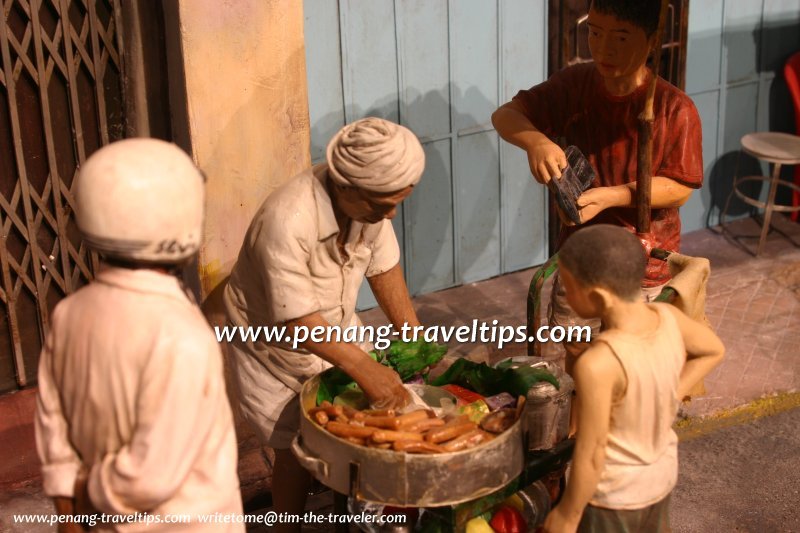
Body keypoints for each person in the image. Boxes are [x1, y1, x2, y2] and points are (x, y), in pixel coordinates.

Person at [223, 117, 424, 530]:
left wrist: (414, 337)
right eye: (381, 203)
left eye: (397, 202)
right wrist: (366, 367)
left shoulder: (370, 206)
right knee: (295, 446)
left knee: (350, 434)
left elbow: (383, 269)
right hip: (273, 345)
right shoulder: (287, 220)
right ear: (344, 185)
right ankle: (289, 527)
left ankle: (346, 520)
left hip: (335, 325)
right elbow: (298, 321)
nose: (389, 213)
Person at [35, 139, 243, 532]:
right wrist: (86, 488)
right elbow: (150, 476)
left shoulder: (68, 314)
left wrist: (68, 509)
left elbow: (53, 424)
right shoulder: (182, 336)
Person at [492, 0, 704, 370]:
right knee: (576, 346)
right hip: (581, 254)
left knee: (632, 358)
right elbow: (506, 115)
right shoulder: (575, 84)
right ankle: (582, 417)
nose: (604, 49)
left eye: (621, 38)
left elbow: (681, 187)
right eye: (595, 33)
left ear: (652, 40)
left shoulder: (675, 108)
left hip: (642, 261)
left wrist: (613, 197)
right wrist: (535, 141)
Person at [541, 225, 724, 533]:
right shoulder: (669, 319)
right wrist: (669, 393)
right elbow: (713, 350)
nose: (566, 296)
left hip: (613, 497)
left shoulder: (599, 363)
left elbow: (592, 451)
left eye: (569, 288)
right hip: (660, 478)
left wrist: (568, 515)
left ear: (596, 295)